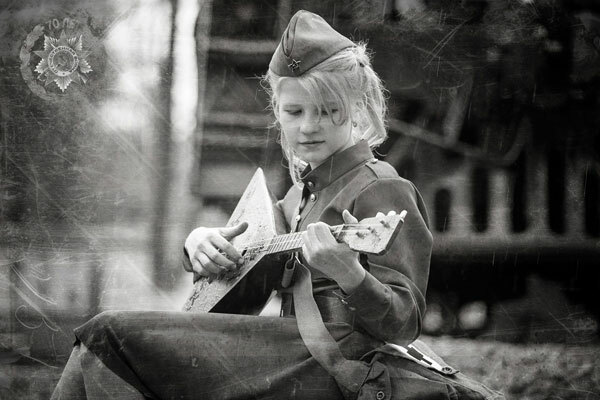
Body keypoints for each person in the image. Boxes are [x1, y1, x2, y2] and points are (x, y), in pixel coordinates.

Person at [51, 10, 503, 400]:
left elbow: (403, 324)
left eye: (328, 110)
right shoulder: (296, 196)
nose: (309, 127)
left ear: (357, 106)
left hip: (332, 368)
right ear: (277, 111)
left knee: (107, 335)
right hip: (291, 356)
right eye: (294, 112)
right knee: (114, 345)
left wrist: (351, 275)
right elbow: (243, 292)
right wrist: (199, 246)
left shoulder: (382, 188)